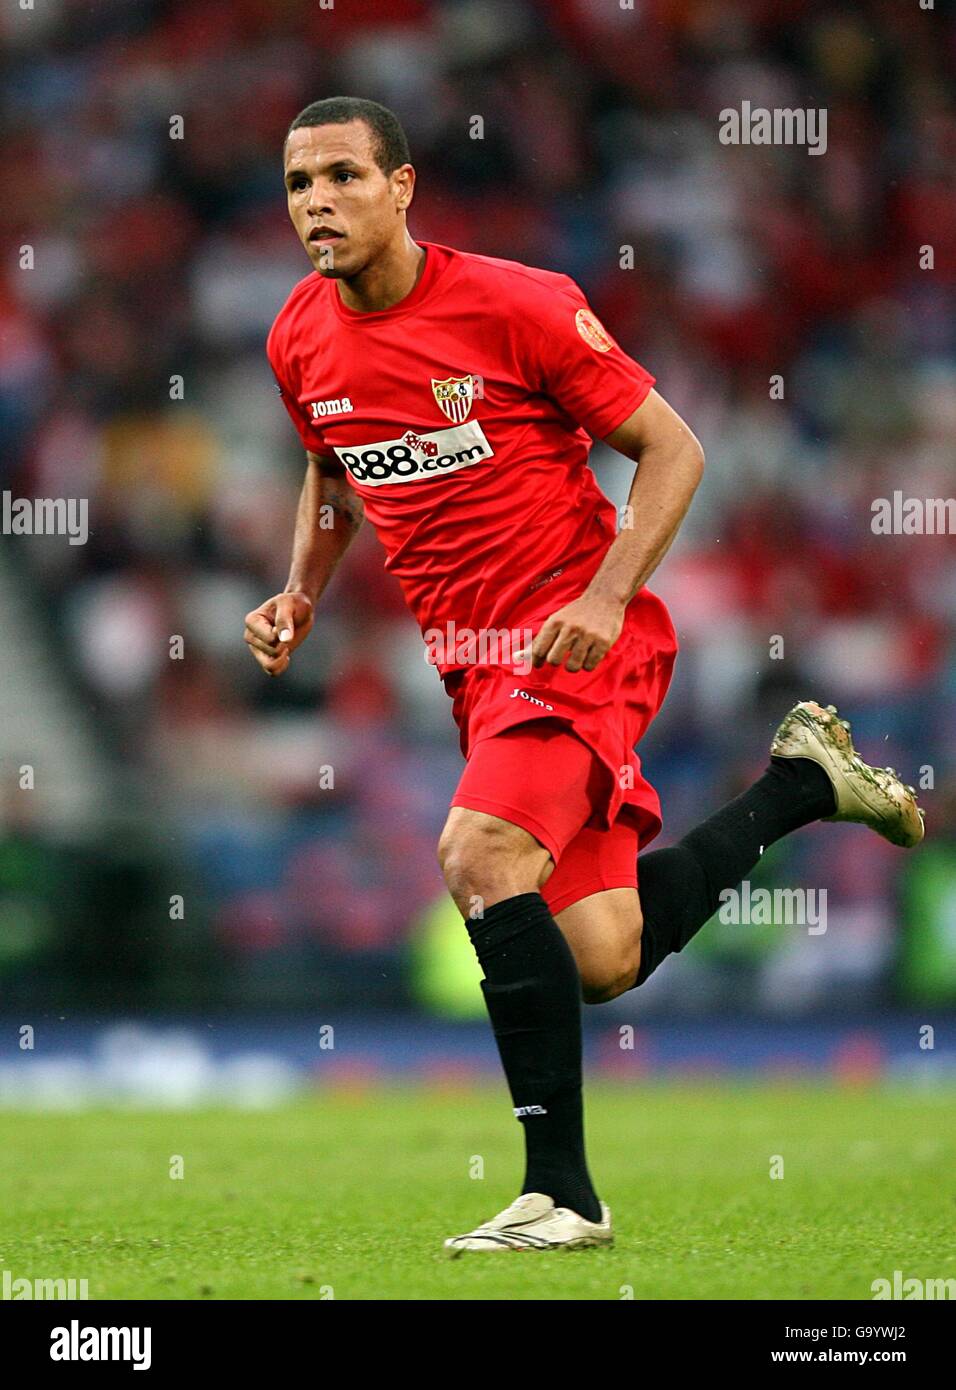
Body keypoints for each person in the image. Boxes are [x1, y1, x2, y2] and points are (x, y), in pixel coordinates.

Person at [245, 97, 924, 1255]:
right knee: (599, 957)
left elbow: (675, 447)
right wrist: (301, 585)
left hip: (574, 639)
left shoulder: (514, 304)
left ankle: (558, 1192)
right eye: (301, 181)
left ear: (402, 187)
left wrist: (604, 595)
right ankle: (800, 787)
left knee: (476, 852)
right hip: (471, 672)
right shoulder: (297, 335)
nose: (318, 202)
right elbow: (333, 466)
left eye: (345, 176)